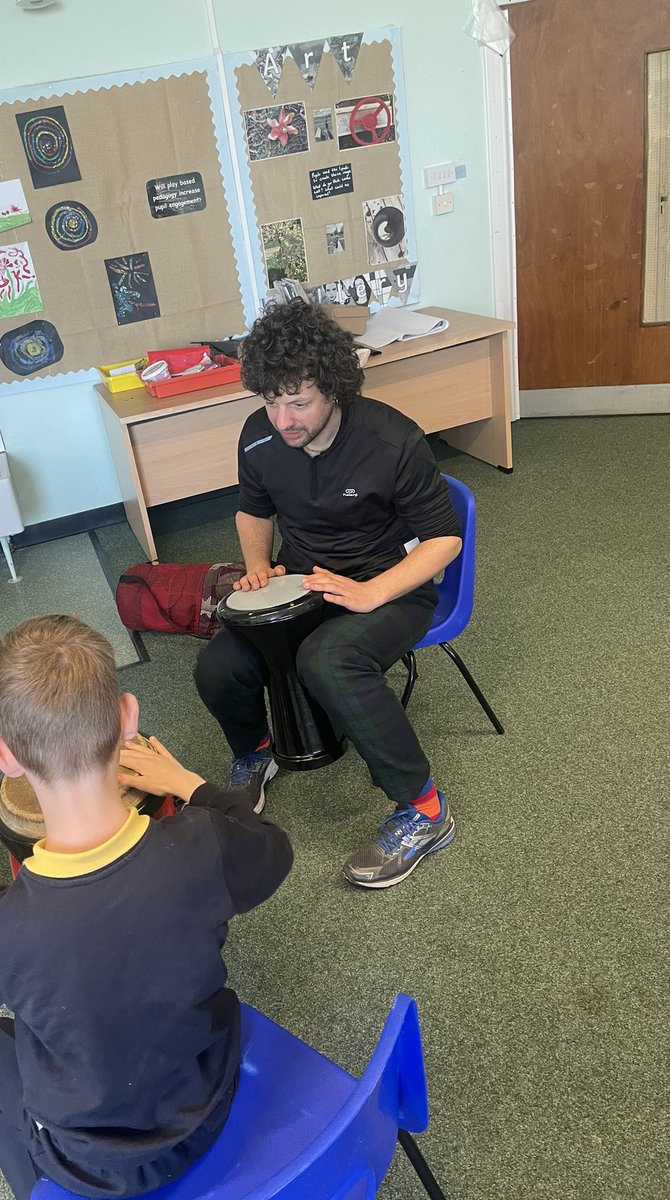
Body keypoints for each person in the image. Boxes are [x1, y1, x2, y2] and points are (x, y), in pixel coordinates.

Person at [0, 615, 292, 1200]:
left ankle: (37, 1186)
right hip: (211, 1103)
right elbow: (273, 848)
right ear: (128, 717)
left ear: (4, 757)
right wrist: (190, 783)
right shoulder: (202, 844)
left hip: (93, 1168)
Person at [194, 299, 462, 890]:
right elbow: (252, 511)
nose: (283, 419)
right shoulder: (260, 436)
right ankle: (256, 752)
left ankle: (425, 811)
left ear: (334, 388)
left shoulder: (392, 440)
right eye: (271, 401)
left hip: (391, 584)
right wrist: (260, 566)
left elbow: (445, 539)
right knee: (218, 666)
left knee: (329, 660)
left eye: (299, 403)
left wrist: (370, 594)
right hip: (303, 578)